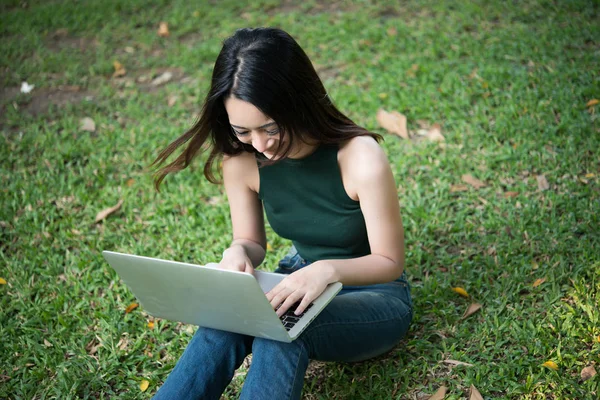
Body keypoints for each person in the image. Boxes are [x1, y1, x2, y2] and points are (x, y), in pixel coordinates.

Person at [150, 27, 412, 400]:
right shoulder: (241, 160)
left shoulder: (359, 157)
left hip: (374, 295)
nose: (260, 144)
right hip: (294, 278)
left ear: (298, 102)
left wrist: (327, 269)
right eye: (243, 130)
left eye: (270, 127)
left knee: (284, 330)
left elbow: (390, 262)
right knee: (223, 321)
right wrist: (238, 252)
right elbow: (251, 241)